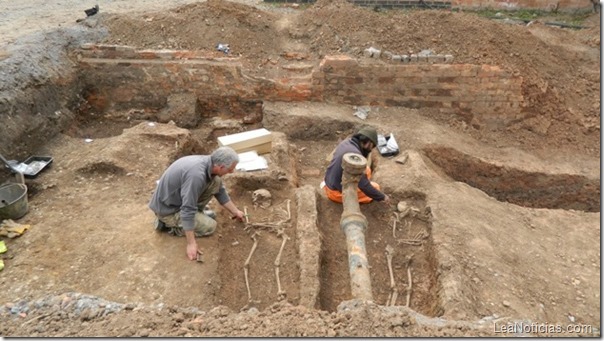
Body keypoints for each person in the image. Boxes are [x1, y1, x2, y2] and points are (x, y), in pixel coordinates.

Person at [149, 146, 245, 261]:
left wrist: (236, 211)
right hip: (168, 210)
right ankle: (169, 225)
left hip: (176, 200)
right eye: (230, 170)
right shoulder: (196, 176)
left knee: (216, 182)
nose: (231, 172)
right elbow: (187, 209)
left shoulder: (208, 163)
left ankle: (195, 216)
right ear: (220, 167)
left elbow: (220, 191)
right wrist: (191, 244)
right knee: (210, 226)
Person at [323, 126, 391, 205]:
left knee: (367, 170)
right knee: (376, 187)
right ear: (368, 143)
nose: (370, 150)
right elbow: (364, 186)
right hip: (335, 193)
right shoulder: (355, 155)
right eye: (372, 147)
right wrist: (382, 197)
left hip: (329, 182)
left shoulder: (347, 142)